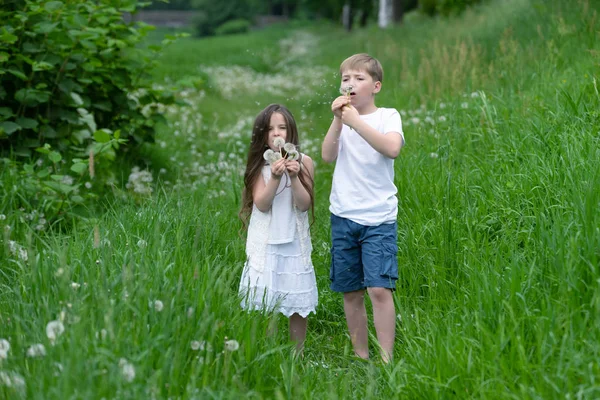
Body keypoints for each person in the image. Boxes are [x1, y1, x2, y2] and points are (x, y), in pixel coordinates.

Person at [321, 53, 404, 363]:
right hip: (343, 215)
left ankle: (386, 358)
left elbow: (391, 149)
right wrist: (338, 120)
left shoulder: (388, 116)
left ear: (376, 86)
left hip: (378, 218)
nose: (350, 84)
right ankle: (361, 356)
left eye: (359, 78)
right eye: (345, 79)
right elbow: (327, 156)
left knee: (379, 290)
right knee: (351, 291)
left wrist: (355, 121)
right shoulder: (343, 122)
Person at [238, 104, 318, 352]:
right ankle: (269, 351)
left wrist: (294, 178)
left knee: (296, 297)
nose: (276, 134)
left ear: (291, 132)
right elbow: (261, 204)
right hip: (266, 243)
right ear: (262, 135)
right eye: (270, 129)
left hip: (294, 240)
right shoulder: (258, 167)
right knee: (268, 297)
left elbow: (304, 205)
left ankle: (298, 352)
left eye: (282, 128)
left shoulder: (305, 163)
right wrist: (274, 177)